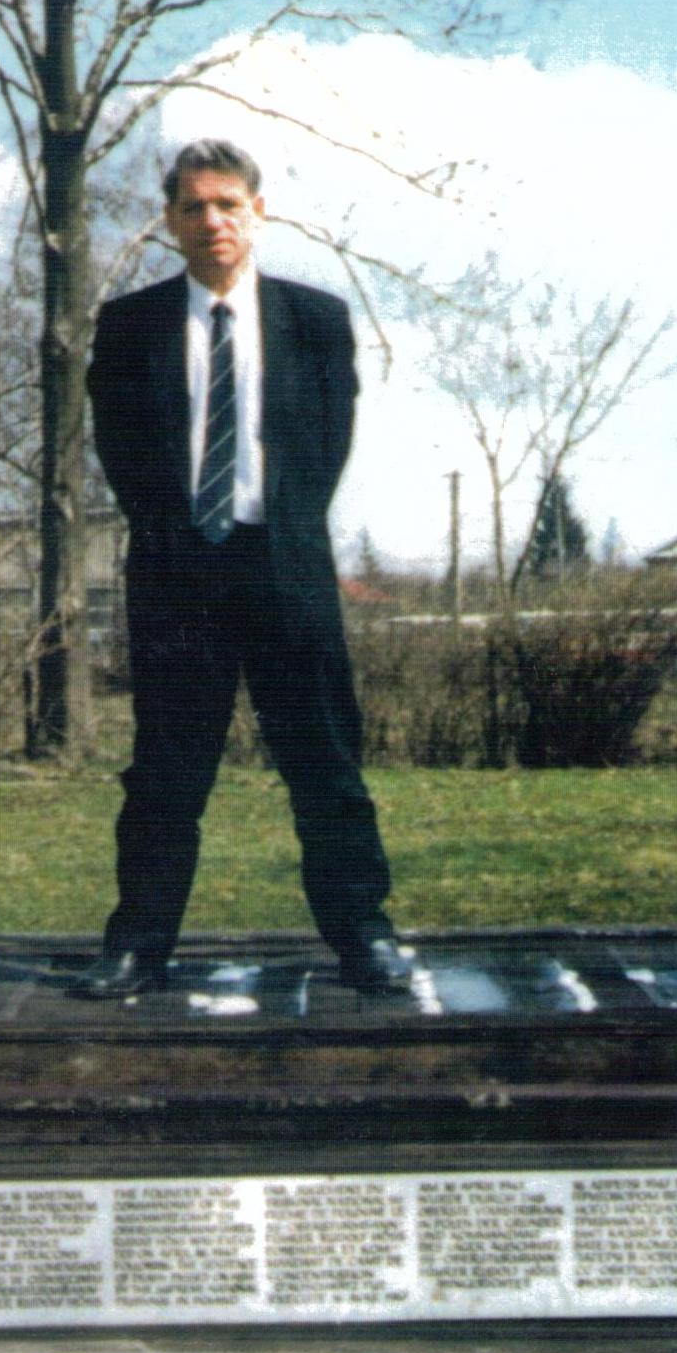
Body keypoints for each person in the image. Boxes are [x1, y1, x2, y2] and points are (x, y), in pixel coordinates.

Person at [74, 138, 412, 999]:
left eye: (228, 204)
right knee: (165, 772)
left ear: (257, 211)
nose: (212, 220)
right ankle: (138, 944)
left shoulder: (316, 320)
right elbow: (120, 450)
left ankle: (364, 934)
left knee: (324, 762)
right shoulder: (131, 326)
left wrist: (284, 533)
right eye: (193, 206)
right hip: (178, 575)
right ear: (170, 221)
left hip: (285, 569)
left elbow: (327, 446)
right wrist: (175, 536)